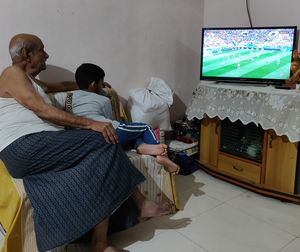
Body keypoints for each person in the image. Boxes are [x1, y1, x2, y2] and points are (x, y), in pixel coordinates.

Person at [0, 33, 162, 252]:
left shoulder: (32, 82)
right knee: (104, 136)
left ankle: (101, 243)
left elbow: (56, 86)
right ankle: (139, 204)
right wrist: (90, 124)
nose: (46, 55)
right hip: (25, 144)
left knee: (99, 161)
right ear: (26, 55)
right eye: (41, 50)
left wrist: (88, 86)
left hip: (38, 146)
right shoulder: (11, 73)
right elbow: (41, 110)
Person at [72, 63, 180, 175]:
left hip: (88, 139)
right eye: (101, 83)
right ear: (94, 85)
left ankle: (142, 147)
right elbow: (109, 121)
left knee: (132, 136)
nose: (102, 86)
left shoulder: (70, 97)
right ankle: (163, 157)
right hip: (107, 132)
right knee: (145, 127)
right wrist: (104, 93)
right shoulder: (103, 100)